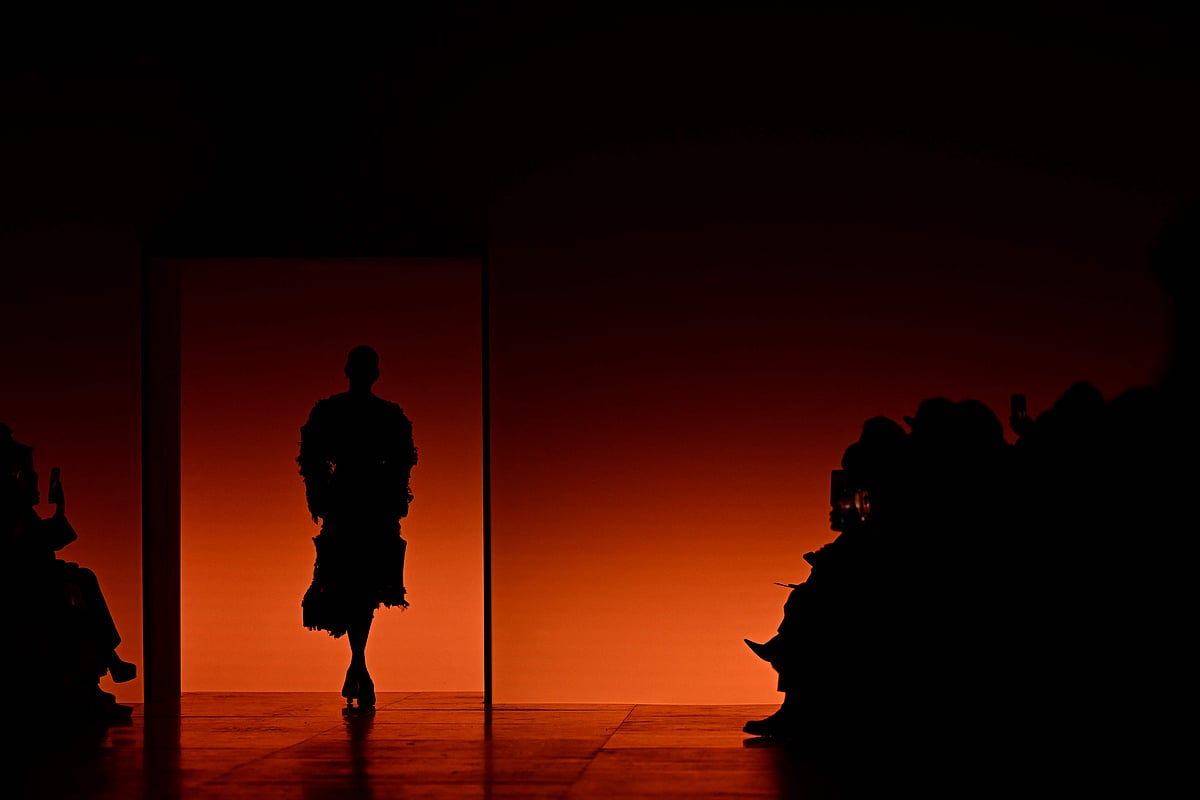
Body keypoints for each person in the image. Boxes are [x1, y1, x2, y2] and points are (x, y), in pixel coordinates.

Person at [297, 345, 418, 713]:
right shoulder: (387, 415)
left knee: (357, 584)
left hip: (352, 502)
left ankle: (358, 664)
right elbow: (402, 461)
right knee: (360, 585)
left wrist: (320, 494)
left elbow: (311, 457)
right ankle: (359, 664)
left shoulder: (332, 412)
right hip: (365, 503)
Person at [0, 422, 137, 722]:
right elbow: (26, 546)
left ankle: (107, 659)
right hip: (22, 579)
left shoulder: (18, 507)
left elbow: (42, 539)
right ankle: (109, 658)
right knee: (82, 582)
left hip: (34, 573)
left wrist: (58, 513)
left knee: (84, 580)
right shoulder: (10, 506)